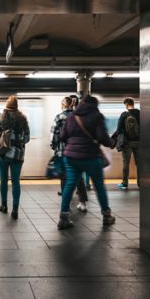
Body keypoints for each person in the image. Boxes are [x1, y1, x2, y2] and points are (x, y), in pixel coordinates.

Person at [58, 95, 116, 229]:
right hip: (91, 156)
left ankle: (64, 218)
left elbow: (62, 136)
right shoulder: (97, 116)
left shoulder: (72, 117)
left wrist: (73, 144)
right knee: (99, 186)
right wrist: (111, 143)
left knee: (70, 184)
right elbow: (103, 137)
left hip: (71, 157)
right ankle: (106, 216)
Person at [0, 96, 30, 220]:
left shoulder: (1, 118)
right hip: (18, 156)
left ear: (7, 107)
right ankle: (15, 210)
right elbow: (27, 138)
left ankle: (4, 205)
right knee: (15, 181)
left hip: (3, 154)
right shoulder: (23, 119)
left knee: (3, 180)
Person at [50, 96, 89, 212]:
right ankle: (82, 203)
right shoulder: (79, 117)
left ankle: (66, 205)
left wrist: (54, 147)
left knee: (64, 178)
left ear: (63, 105)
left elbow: (53, 136)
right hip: (78, 152)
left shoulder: (59, 117)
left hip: (63, 152)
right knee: (79, 178)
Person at [112, 97, 140, 190]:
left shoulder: (124, 114)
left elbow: (119, 130)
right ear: (133, 103)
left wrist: (113, 139)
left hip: (127, 143)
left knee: (126, 163)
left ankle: (124, 183)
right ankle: (141, 183)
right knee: (139, 163)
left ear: (126, 105)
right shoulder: (140, 113)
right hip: (139, 142)